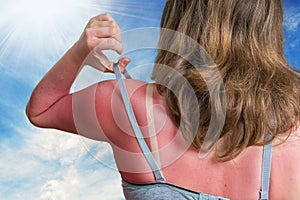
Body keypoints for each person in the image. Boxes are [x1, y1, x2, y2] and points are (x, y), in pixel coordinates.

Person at [26, 0, 300, 199]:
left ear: (179, 20)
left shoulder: (127, 104)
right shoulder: (293, 127)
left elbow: (42, 110)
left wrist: (80, 51)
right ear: (266, 27)